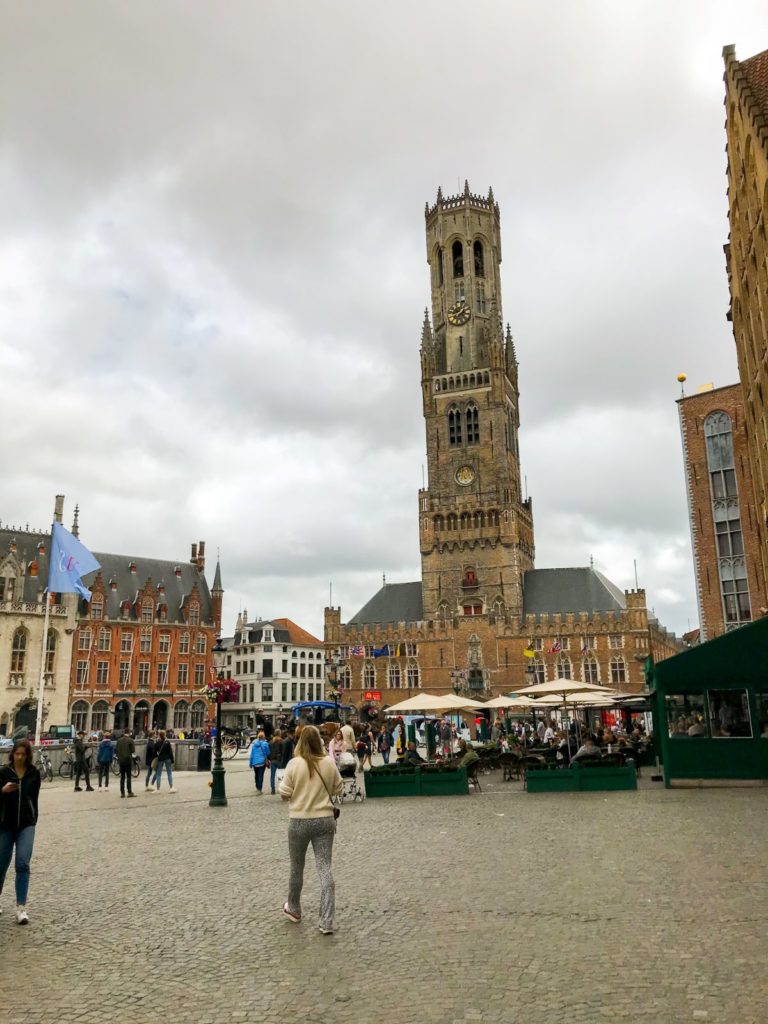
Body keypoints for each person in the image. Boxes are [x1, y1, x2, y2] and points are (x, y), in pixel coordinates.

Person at [279, 725, 342, 935]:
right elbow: (338, 788)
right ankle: (326, 921)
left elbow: (284, 793)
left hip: (298, 821)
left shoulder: (294, 764)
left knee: (297, 867)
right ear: (319, 741)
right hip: (324, 821)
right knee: (325, 867)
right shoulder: (328, 763)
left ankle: (294, 908)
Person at [0, 738, 40, 924]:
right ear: (12, 754)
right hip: (5, 824)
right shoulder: (4, 772)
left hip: (26, 825)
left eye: (23, 755)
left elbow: (34, 798)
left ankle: (21, 907)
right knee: (1, 864)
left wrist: (33, 819)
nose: (19, 758)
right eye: (17, 754)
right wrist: (3, 790)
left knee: (23, 864)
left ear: (28, 756)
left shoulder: (34, 773)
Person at [115, 729, 136, 798]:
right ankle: (129, 792)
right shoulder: (130, 740)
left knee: (122, 777)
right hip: (128, 760)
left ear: (124, 733)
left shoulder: (119, 740)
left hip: (121, 760)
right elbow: (133, 750)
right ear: (129, 733)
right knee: (129, 777)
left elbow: (116, 750)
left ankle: (122, 793)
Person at [268, 730, 284, 795]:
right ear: (280, 734)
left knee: (272, 776)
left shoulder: (271, 742)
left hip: (273, 760)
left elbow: (268, 752)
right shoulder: (281, 741)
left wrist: (270, 759)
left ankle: (273, 790)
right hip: (280, 761)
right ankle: (282, 789)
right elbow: (283, 752)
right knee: (281, 776)